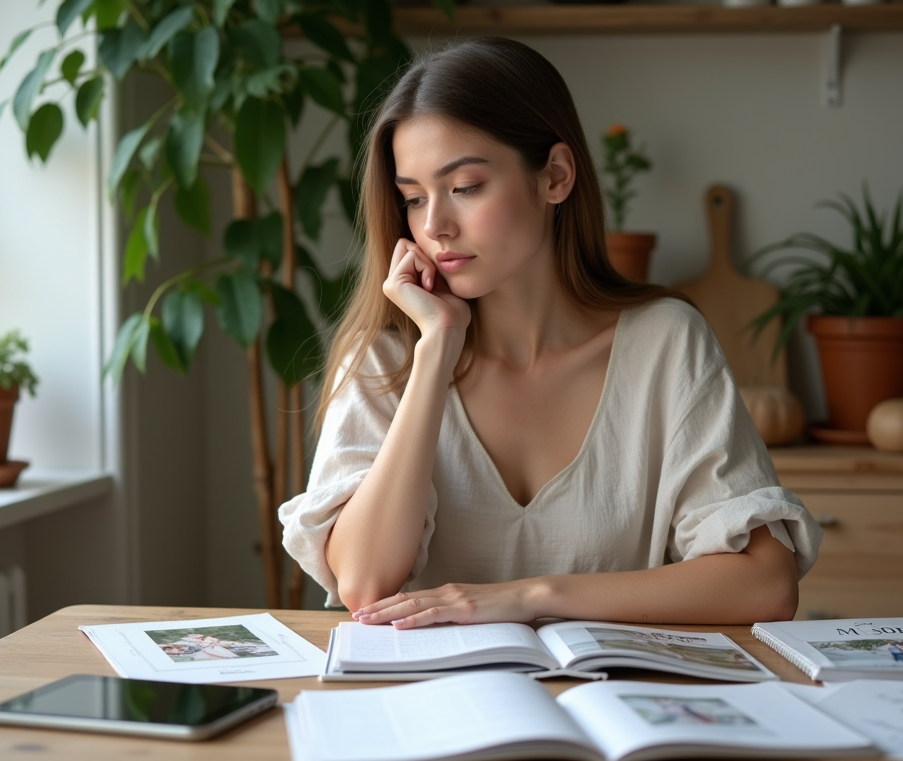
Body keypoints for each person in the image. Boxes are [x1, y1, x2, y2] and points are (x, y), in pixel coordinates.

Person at [279, 38, 821, 629]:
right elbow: (364, 583)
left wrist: (531, 597)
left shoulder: (665, 342)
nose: (434, 225)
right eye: (412, 198)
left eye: (464, 187)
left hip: (616, 705)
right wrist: (435, 351)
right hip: (436, 709)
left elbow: (765, 584)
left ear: (555, 177)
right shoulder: (385, 355)